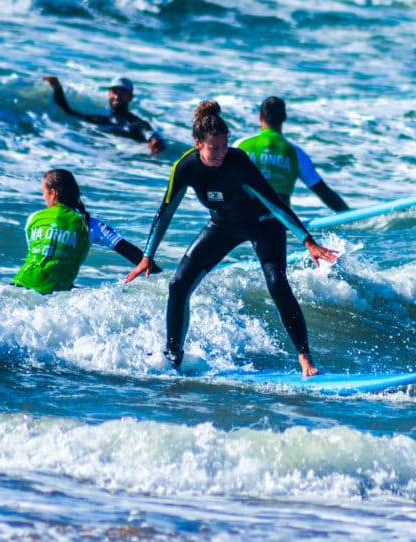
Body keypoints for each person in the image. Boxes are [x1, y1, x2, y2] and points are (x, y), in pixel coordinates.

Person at [124, 101, 339, 376]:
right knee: (178, 286)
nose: (221, 153)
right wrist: (147, 256)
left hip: (264, 224)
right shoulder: (185, 167)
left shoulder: (237, 162)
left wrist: (307, 241)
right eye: (214, 148)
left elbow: (274, 203)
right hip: (223, 225)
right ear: (197, 144)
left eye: (225, 146)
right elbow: (165, 212)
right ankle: (173, 356)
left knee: (276, 281)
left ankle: (305, 358)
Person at [13, 169, 160, 294]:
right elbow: (127, 249)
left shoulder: (33, 219)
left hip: (18, 286)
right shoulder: (89, 223)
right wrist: (160, 275)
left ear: (53, 193)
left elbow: (41, 263)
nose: (43, 197)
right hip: (49, 294)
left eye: (43, 193)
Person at [235, 96, 348, 212]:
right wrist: (349, 216)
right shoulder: (296, 153)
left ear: (260, 116)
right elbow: (323, 192)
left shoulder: (240, 146)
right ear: (284, 117)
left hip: (242, 217)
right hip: (279, 222)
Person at [44, 75, 166, 157]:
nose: (117, 96)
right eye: (115, 92)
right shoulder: (101, 120)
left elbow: (147, 131)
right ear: (108, 94)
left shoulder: (133, 123)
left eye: (123, 93)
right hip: (103, 157)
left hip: (126, 158)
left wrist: (154, 140)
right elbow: (68, 111)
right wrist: (57, 88)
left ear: (130, 98)